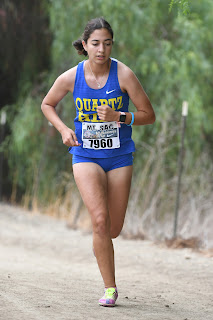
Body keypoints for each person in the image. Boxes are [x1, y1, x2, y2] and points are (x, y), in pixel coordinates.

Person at [41, 17, 155, 307]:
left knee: (113, 228)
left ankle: (105, 252)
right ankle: (110, 288)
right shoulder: (71, 77)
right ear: (84, 45)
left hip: (118, 156)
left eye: (107, 43)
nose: (101, 49)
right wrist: (64, 129)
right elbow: (47, 104)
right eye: (95, 43)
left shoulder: (124, 75)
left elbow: (148, 114)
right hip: (85, 154)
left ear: (112, 45)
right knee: (100, 222)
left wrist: (120, 116)